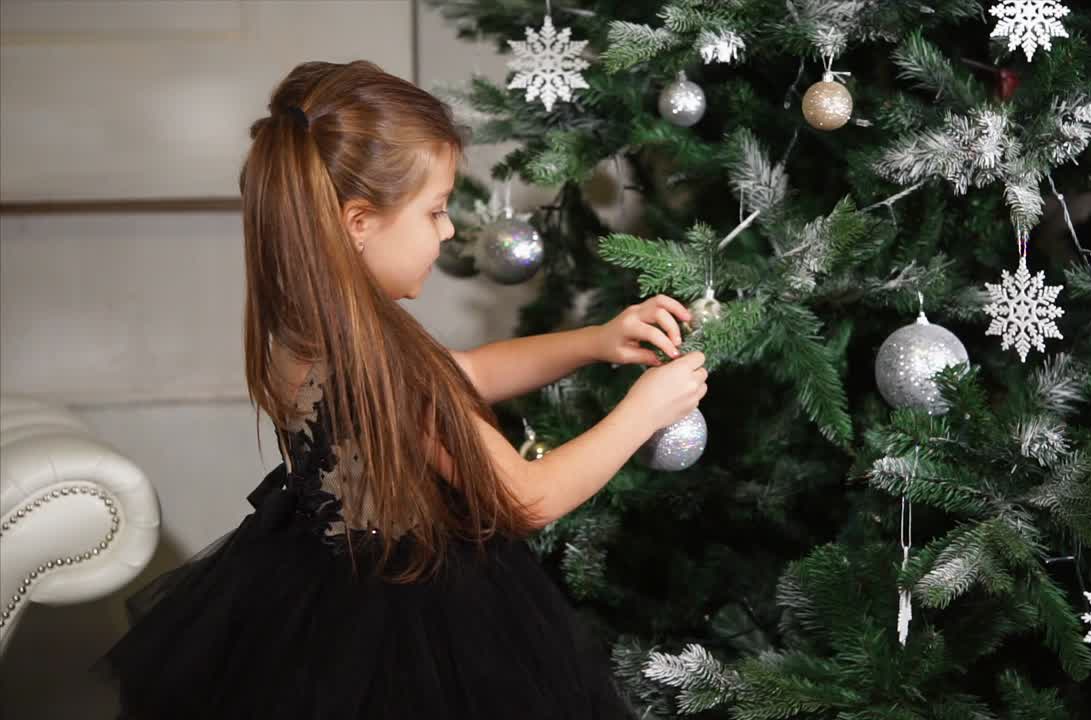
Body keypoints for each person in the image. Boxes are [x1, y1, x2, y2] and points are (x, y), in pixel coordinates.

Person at [96, 59, 708, 719]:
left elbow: (466, 372)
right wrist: (645, 410)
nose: (448, 231)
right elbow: (528, 498)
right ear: (358, 223)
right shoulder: (382, 357)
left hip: (315, 593)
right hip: (415, 619)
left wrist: (593, 341)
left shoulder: (307, 330)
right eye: (436, 210)